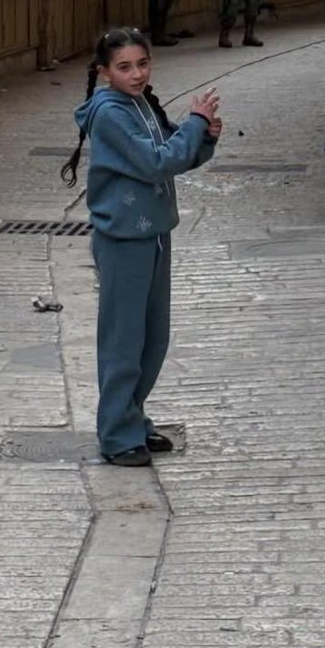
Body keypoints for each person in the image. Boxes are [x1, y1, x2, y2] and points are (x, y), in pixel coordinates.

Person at [61, 28, 221, 466]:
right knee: (123, 340)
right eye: (124, 67)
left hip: (153, 232)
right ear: (104, 72)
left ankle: (132, 419)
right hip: (123, 239)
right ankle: (116, 435)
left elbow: (178, 154)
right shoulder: (110, 113)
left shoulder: (140, 103)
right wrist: (195, 122)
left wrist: (205, 135)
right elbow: (157, 162)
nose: (136, 74)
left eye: (143, 64)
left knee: (152, 338)